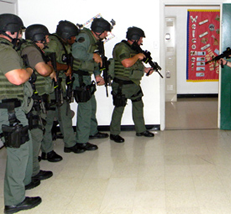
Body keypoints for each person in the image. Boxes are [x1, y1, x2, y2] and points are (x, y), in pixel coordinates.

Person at [0, 13, 42, 214]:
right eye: (18, 31)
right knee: (19, 151)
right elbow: (17, 78)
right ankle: (14, 200)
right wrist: (29, 70)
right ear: (10, 31)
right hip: (8, 110)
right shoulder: (6, 50)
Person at [41, 20, 85, 162]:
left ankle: (70, 144)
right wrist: (65, 67)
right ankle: (47, 150)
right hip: (50, 86)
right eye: (72, 37)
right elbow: (47, 63)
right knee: (47, 119)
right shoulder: (53, 43)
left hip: (59, 84)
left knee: (65, 114)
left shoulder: (62, 44)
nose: (74, 40)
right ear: (66, 35)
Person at [22, 24, 56, 187]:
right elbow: (43, 71)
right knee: (35, 136)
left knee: (36, 134)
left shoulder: (31, 49)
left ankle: (34, 170)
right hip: (34, 99)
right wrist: (51, 69)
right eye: (46, 37)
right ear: (39, 38)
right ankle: (30, 174)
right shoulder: (32, 50)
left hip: (36, 98)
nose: (48, 39)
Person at [109, 26, 155, 142]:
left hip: (134, 83)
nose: (141, 42)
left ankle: (141, 129)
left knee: (138, 105)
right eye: (140, 39)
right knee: (119, 108)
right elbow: (126, 63)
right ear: (134, 38)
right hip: (122, 84)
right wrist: (137, 56)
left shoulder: (134, 48)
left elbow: (136, 64)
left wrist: (145, 69)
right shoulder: (121, 47)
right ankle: (114, 133)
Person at [71, 17, 110, 151]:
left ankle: (92, 131)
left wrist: (97, 74)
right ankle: (82, 141)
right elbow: (76, 52)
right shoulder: (85, 37)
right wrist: (92, 56)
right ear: (98, 31)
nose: (106, 35)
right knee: (85, 109)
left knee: (91, 105)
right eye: (105, 32)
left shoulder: (94, 40)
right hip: (79, 77)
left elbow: (95, 59)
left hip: (86, 77)